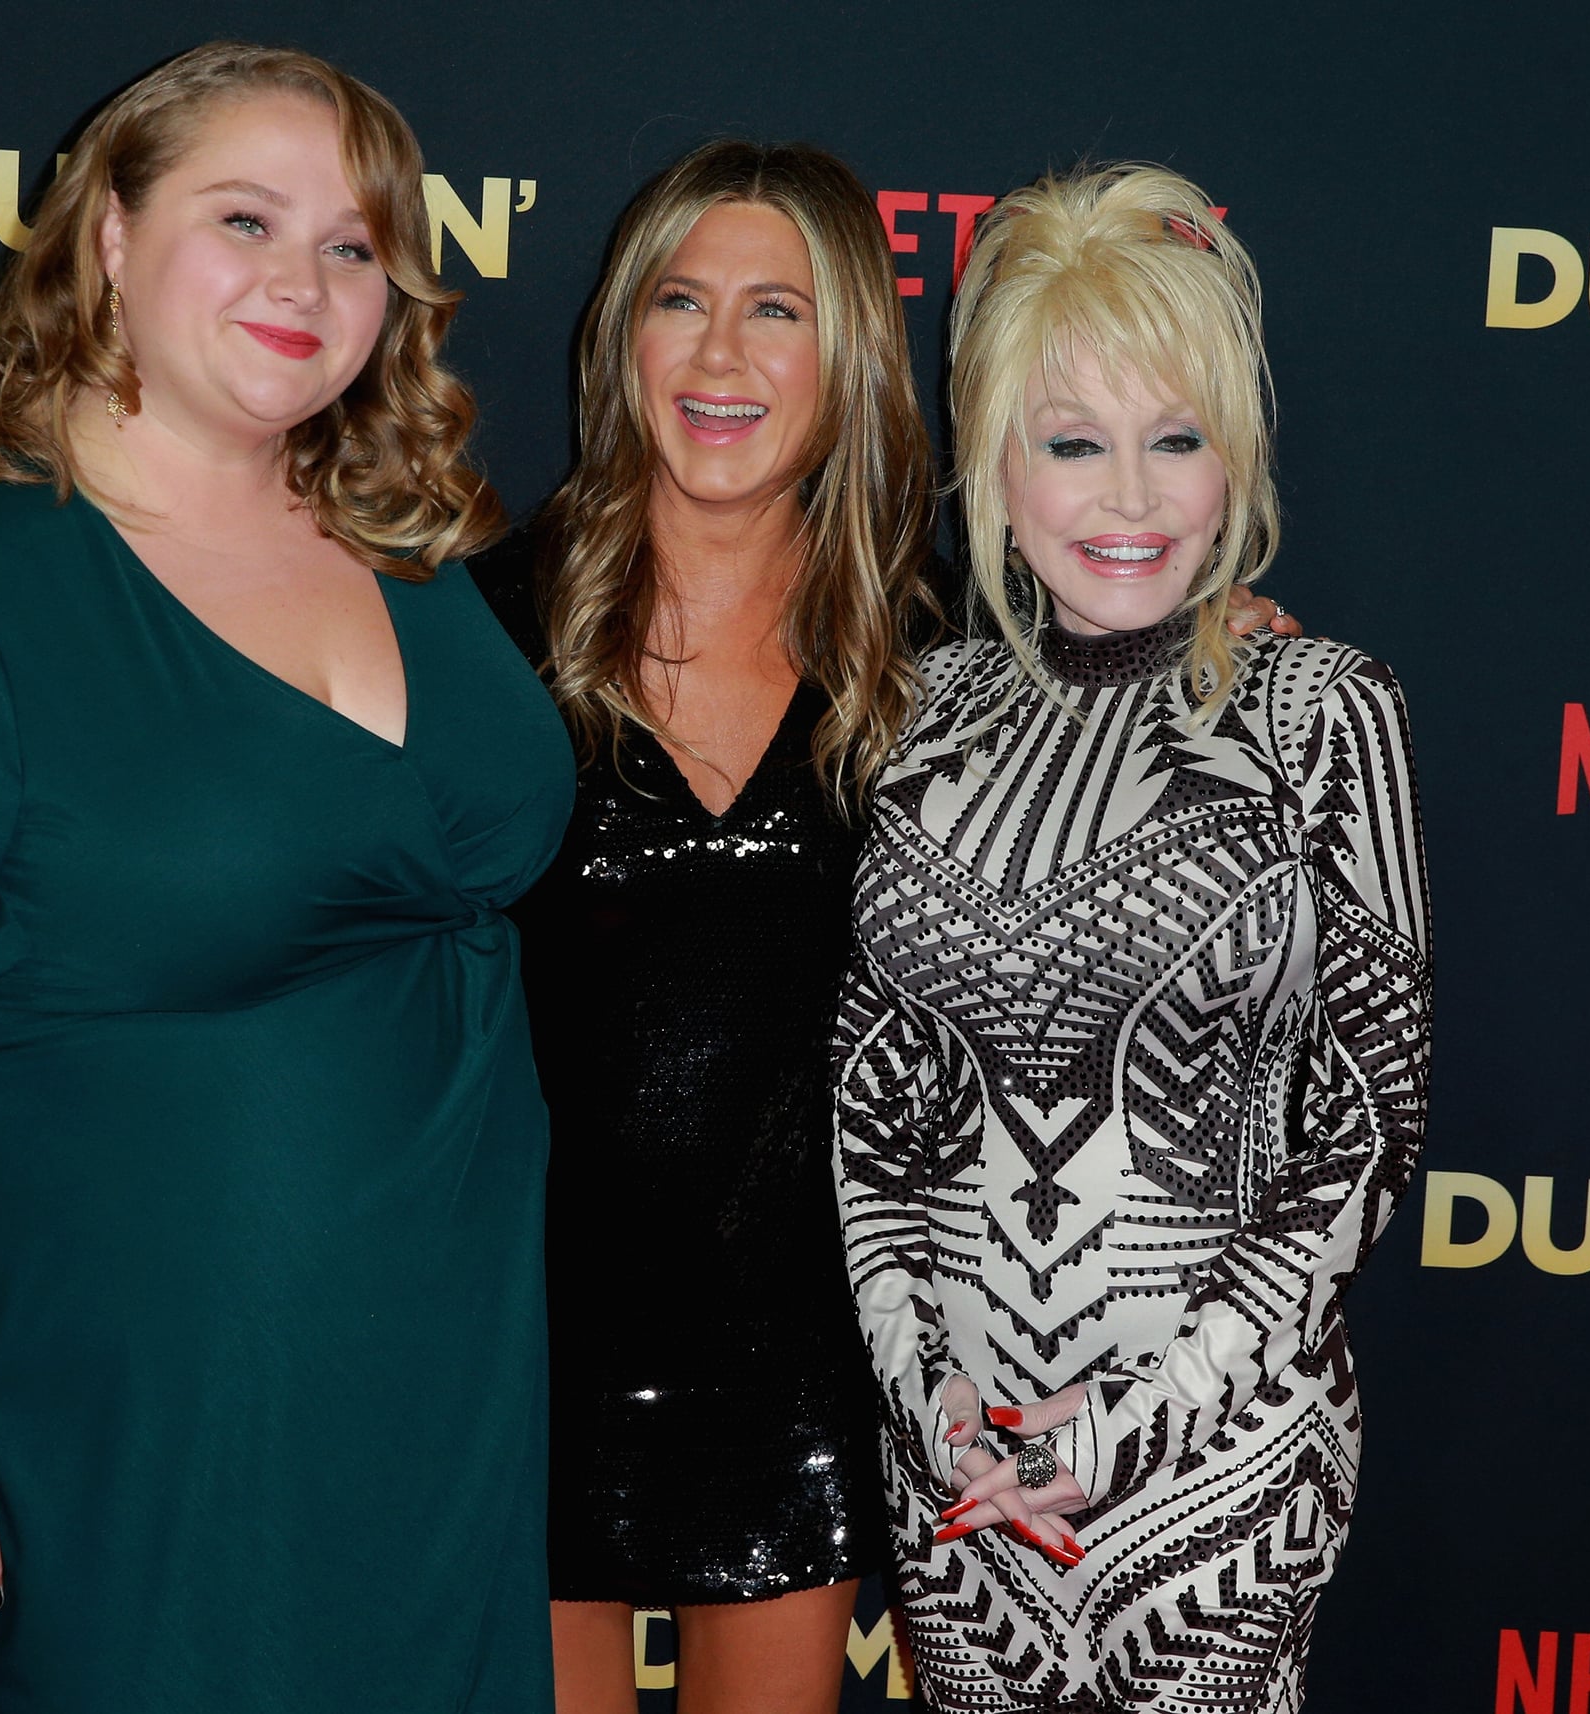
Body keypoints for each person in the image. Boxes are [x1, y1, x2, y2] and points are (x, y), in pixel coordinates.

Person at [0, 41, 571, 1714]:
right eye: (245, 218)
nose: (304, 282)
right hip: (140, 1403)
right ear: (106, 233)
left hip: (441, 1384)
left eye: (353, 245)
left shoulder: (411, 540)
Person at [478, 144, 1297, 1714]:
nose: (721, 355)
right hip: (522, 1345)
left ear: (847, 348)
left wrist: (1219, 642)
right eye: (681, 300)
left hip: (816, 1362)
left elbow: (1131, 704)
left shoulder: (947, 672)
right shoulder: (473, 639)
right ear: (619, 336)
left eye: (774, 310)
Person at [833, 162, 1431, 1713]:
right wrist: (927, 1396)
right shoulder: (921, 719)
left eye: (1179, 442)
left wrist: (1131, 1425)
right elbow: (874, 1112)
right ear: (997, 465)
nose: (1132, 498)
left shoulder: (1323, 712)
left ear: (1235, 458)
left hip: (1221, 1478)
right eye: (1074, 444)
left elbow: (1369, 1128)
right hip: (963, 1489)